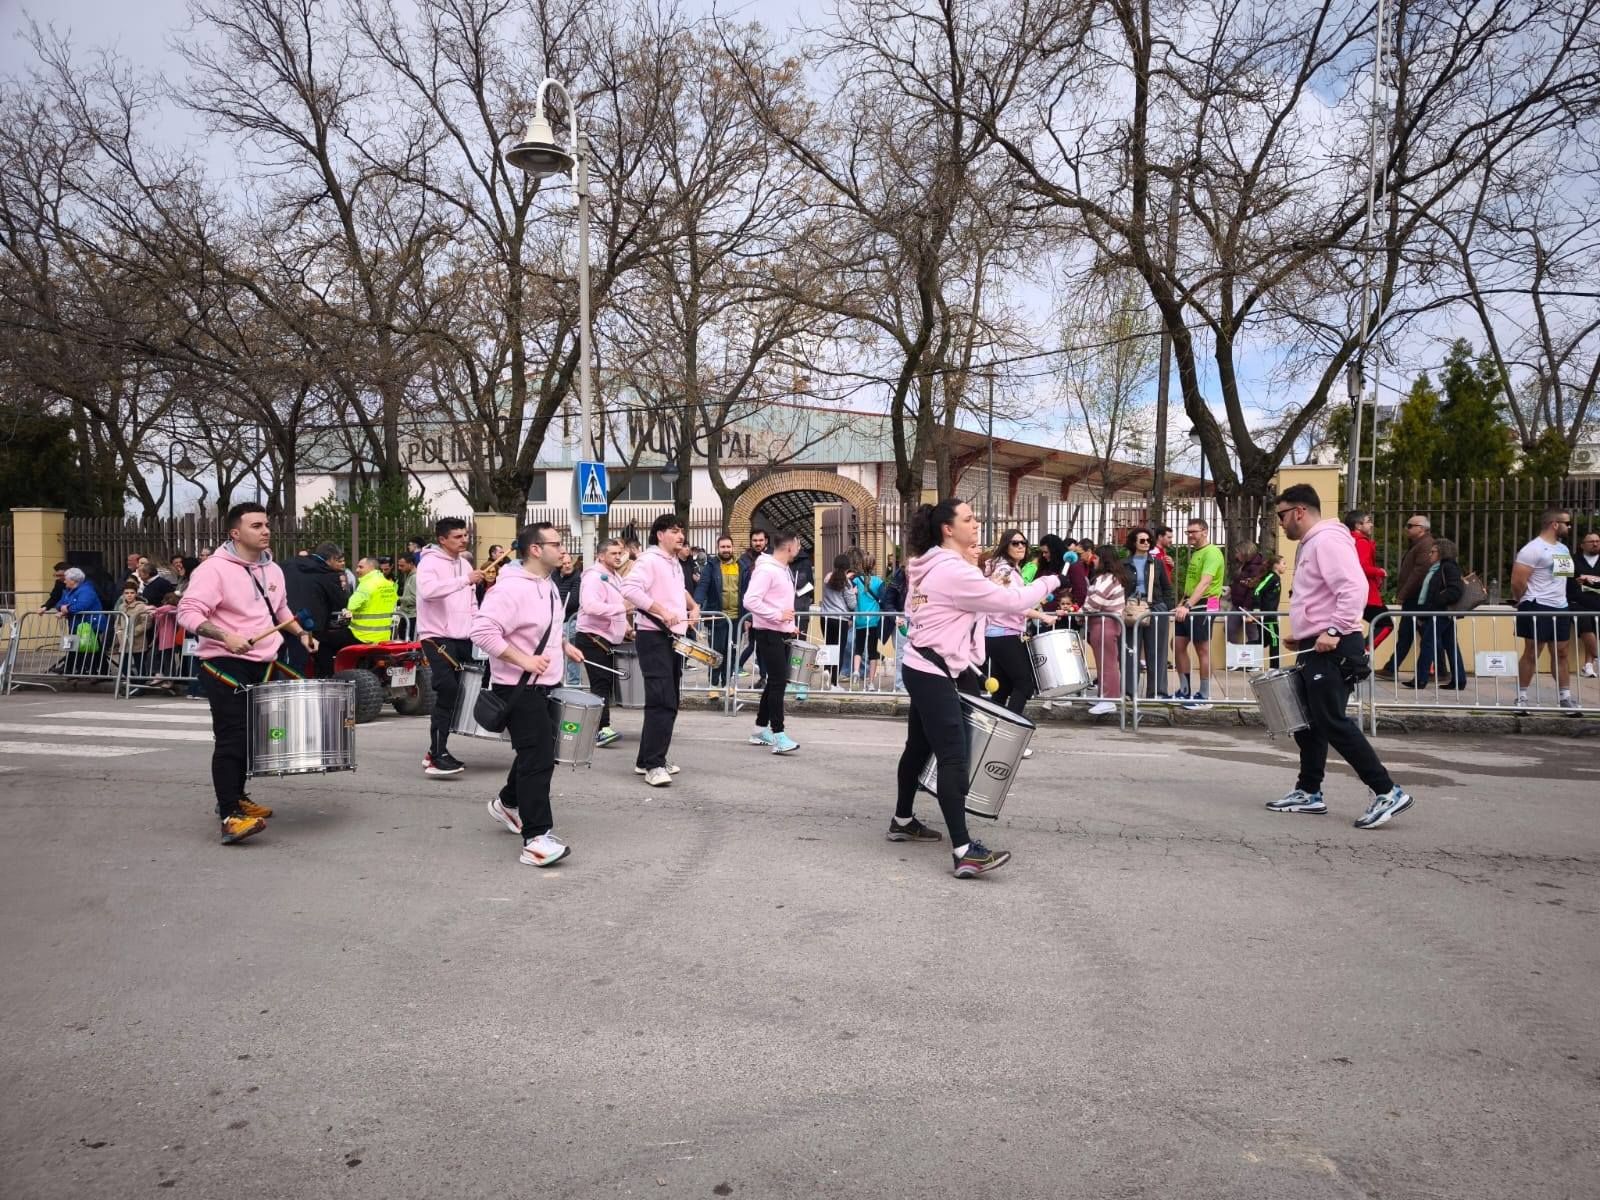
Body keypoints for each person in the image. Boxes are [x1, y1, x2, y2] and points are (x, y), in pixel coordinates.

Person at [893, 499, 1060, 877]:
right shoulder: (950, 570)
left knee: (918, 747)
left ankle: (902, 821)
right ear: (948, 529)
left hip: (924, 665)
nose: (976, 524)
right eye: (968, 519)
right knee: (954, 756)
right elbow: (1012, 601)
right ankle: (964, 850)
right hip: (933, 671)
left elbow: (922, 613)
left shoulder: (928, 565)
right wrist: (1050, 580)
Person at [1268, 485, 1415, 828]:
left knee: (1331, 720)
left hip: (1335, 646)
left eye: (1282, 515)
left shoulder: (1327, 541)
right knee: (1308, 722)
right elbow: (1320, 596)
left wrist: (1333, 630)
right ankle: (1309, 791)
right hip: (1317, 645)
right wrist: (1304, 633)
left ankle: (1387, 791)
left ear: (1300, 511)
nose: (1281, 523)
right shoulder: (1313, 543)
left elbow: (1353, 587)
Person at [177, 502, 319, 844]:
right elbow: (187, 612)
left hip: (264, 663)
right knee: (232, 737)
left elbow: (279, 610)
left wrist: (301, 633)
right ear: (235, 533)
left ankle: (237, 796)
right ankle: (229, 816)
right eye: (256, 526)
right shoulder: (214, 570)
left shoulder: (273, 569)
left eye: (266, 524)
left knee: (253, 738)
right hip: (224, 663)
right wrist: (225, 636)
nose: (265, 530)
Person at [473, 522, 587, 867]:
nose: (563, 550)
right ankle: (536, 839)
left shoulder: (547, 583)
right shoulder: (509, 589)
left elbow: (542, 627)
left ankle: (507, 803)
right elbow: (482, 631)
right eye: (557, 544)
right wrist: (524, 660)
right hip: (517, 687)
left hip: (544, 684)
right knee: (538, 759)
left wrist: (563, 644)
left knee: (536, 752)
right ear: (536, 549)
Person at [619, 514, 701, 787]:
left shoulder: (673, 562)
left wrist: (693, 606)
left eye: (682, 531)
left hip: (672, 637)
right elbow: (629, 589)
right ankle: (654, 764)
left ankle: (646, 759)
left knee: (670, 699)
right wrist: (661, 611)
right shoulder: (649, 560)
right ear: (660, 535)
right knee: (662, 700)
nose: (681, 535)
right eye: (675, 531)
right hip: (653, 636)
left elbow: (678, 590)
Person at [416, 517, 485, 777]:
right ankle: (437, 754)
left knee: (463, 690)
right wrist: (464, 580)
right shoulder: (429, 563)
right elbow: (428, 591)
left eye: (465, 535)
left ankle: (435, 750)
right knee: (447, 689)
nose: (464, 540)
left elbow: (471, 602)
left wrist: (478, 626)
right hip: (436, 636)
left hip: (463, 636)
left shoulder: (464, 564)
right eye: (457, 536)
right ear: (442, 539)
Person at [982, 530, 1056, 716]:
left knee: (1003, 687)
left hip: (999, 634)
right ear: (1005, 546)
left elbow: (1019, 602)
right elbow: (1014, 603)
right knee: (1024, 684)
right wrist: (1043, 617)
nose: (1021, 546)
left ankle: (992, 727)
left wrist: (1042, 608)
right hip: (1003, 634)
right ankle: (1010, 726)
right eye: (1015, 543)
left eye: (1023, 543)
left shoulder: (1008, 569)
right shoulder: (1005, 571)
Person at [1511, 508, 1577, 713]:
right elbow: (1517, 581)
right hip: (1537, 604)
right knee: (1532, 652)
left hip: (1560, 606)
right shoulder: (1532, 549)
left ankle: (1565, 698)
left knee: (1562, 652)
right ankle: (1522, 697)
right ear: (1554, 524)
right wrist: (1524, 601)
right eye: (1567, 523)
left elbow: (1563, 577)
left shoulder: (1563, 549)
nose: (1570, 527)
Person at [744, 530, 802, 754]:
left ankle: (760, 729)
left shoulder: (782, 569)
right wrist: (778, 616)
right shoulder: (767, 570)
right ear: (789, 546)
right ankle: (778, 734)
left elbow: (779, 602)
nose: (799, 548)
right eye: (798, 544)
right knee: (778, 683)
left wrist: (789, 625)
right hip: (768, 633)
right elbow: (750, 601)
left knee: (775, 682)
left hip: (778, 631)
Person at [576, 538, 629, 749]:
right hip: (592, 637)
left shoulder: (614, 576)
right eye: (613, 553)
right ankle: (600, 729)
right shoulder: (593, 577)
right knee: (600, 683)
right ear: (600, 556)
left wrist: (627, 628)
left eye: (619, 553)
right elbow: (590, 606)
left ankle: (600, 727)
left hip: (605, 638)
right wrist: (622, 608)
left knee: (604, 683)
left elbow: (616, 605)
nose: (618, 557)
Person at [1172, 517, 1225, 708]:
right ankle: (1185, 691)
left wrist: (1187, 605)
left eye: (1193, 532)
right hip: (1191, 602)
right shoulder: (1197, 552)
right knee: (1177, 644)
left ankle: (1204, 695)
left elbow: (1205, 583)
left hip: (1206, 603)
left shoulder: (1212, 552)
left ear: (1204, 531)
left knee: (1202, 648)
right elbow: (1192, 582)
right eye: (1188, 532)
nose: (1190, 535)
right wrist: (1182, 602)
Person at [1375, 514, 1434, 679]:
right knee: (1411, 634)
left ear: (1421, 528)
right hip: (1415, 597)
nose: (1406, 529)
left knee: (1412, 634)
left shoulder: (1425, 544)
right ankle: (1391, 668)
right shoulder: (1419, 544)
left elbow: (1419, 573)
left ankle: (1392, 668)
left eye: (1410, 526)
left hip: (1416, 598)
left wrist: (1403, 594)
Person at [1405, 538, 1465, 689]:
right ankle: (1459, 680)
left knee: (1428, 643)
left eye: (1433, 552)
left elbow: (1455, 590)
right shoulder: (1437, 568)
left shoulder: (1448, 567)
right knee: (1450, 646)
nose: (1429, 554)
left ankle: (1420, 679)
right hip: (1439, 612)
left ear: (1442, 552)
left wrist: (1436, 601)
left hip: (1441, 613)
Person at [1124, 528, 1174, 698]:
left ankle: (1157, 692)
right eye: (1142, 540)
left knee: (1157, 650)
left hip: (1155, 606)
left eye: (1148, 540)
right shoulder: (1124, 564)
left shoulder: (1157, 563)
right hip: (1132, 608)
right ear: (1133, 543)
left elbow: (1167, 587)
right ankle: (1129, 692)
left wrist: (1167, 607)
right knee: (1130, 650)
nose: (1146, 543)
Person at [1082, 545, 1131, 716]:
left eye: (1096, 557)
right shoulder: (1109, 578)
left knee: (1107, 663)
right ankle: (1104, 696)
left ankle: (1109, 699)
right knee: (1104, 662)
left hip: (1105, 623)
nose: (1093, 561)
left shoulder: (1108, 579)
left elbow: (1094, 602)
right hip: (1103, 623)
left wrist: (1081, 612)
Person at [284, 542, 347, 672]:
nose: (341, 564)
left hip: (286, 621)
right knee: (308, 664)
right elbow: (341, 602)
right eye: (338, 560)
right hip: (312, 626)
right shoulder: (328, 574)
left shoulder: (288, 564)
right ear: (331, 558)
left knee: (287, 663)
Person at [693, 534, 742, 698]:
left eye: (728, 546)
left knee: (731, 652)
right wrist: (696, 605)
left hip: (736, 619)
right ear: (717, 548)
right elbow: (703, 586)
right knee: (716, 652)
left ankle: (727, 684)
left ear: (733, 548)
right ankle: (713, 685)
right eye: (723, 547)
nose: (726, 550)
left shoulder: (741, 566)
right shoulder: (711, 566)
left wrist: (748, 618)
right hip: (717, 617)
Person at [1344, 511, 1389, 643]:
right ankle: (1364, 651)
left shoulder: (1348, 541)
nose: (1372, 525)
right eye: (1368, 521)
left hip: (1354, 592)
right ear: (1358, 525)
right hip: (1367, 595)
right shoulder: (1362, 542)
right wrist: (1380, 572)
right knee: (1386, 624)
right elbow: (1361, 567)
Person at [734, 529, 769, 678]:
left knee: (765, 646)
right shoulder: (743, 560)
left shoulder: (771, 558)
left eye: (760, 540)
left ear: (766, 541)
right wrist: (746, 616)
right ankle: (762, 676)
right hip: (751, 611)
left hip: (768, 610)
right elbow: (742, 589)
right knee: (755, 644)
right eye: (755, 540)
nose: (758, 543)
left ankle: (765, 677)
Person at [820, 554, 857, 688]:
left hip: (825, 618)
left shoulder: (827, 578)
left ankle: (826, 670)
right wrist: (854, 592)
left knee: (828, 646)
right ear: (847, 567)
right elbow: (852, 604)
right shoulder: (846, 583)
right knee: (839, 650)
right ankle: (834, 682)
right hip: (840, 619)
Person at [1568, 529, 1600, 678]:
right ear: (1582, 545)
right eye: (1591, 541)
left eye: (1597, 541)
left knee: (1595, 629)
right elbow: (1563, 580)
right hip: (1577, 601)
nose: (1595, 544)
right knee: (1586, 626)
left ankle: (1588, 665)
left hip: (1597, 601)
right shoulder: (1573, 560)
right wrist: (1576, 581)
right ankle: (1597, 657)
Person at [1226, 542, 1268, 653]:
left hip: (1249, 607)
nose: (1236, 556)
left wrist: (1247, 607)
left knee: (1252, 633)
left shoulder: (1257, 567)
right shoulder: (1245, 565)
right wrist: (1231, 588)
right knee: (1229, 629)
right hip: (1238, 605)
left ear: (1245, 552)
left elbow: (1253, 589)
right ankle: (1236, 657)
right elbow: (1240, 583)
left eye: (1238, 552)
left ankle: (1253, 660)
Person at [346, 555, 398, 644]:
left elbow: (351, 605)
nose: (357, 570)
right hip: (384, 637)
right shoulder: (389, 584)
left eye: (361, 567)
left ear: (371, 568)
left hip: (361, 636)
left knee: (327, 641)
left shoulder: (366, 584)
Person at [851, 553, 886, 684]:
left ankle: (856, 671)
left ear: (861, 565)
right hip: (873, 620)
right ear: (874, 566)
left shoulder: (855, 581)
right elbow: (884, 599)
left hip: (860, 619)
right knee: (872, 651)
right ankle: (871, 682)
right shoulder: (879, 582)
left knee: (858, 648)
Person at [1253, 555, 1284, 669]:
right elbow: (1257, 590)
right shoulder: (1271, 577)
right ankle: (1274, 668)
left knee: (1264, 641)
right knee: (1274, 641)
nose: (1285, 566)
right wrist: (1256, 609)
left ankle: (1244, 653)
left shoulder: (1276, 578)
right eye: (1283, 563)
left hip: (1271, 615)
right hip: (1268, 616)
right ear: (1276, 565)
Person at [396, 552, 418, 633]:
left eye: (402, 565)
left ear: (411, 564)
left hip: (412, 616)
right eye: (399, 565)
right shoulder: (410, 576)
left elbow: (415, 599)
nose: (399, 568)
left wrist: (398, 598)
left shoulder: (415, 577)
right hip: (407, 615)